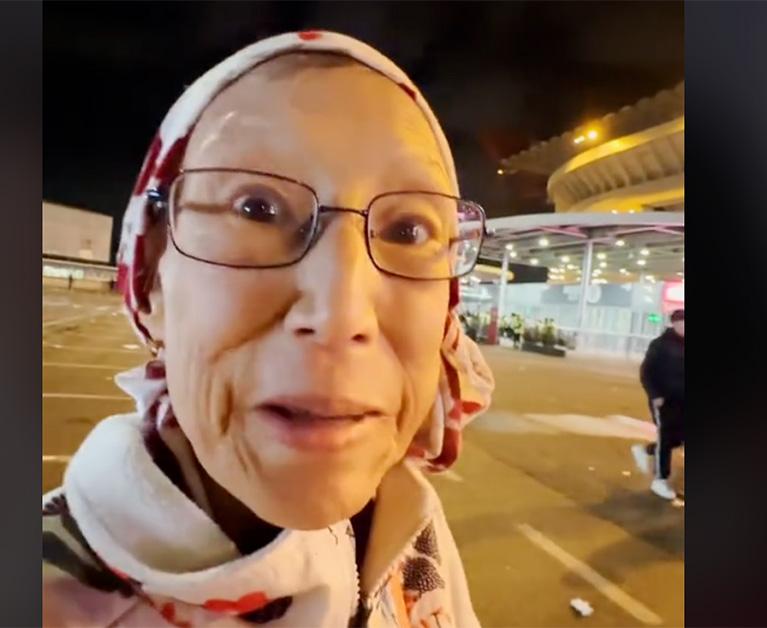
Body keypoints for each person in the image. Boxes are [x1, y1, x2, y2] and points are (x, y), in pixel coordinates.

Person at [42, 32, 495, 627]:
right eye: (256, 207)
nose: (341, 315)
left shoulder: (414, 532)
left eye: (409, 230)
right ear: (150, 276)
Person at [632, 309, 684, 499]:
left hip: (683, 400)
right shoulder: (660, 345)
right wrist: (655, 395)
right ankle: (660, 480)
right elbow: (646, 372)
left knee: (678, 439)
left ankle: (646, 450)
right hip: (664, 400)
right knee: (666, 435)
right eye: (682, 323)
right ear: (675, 323)